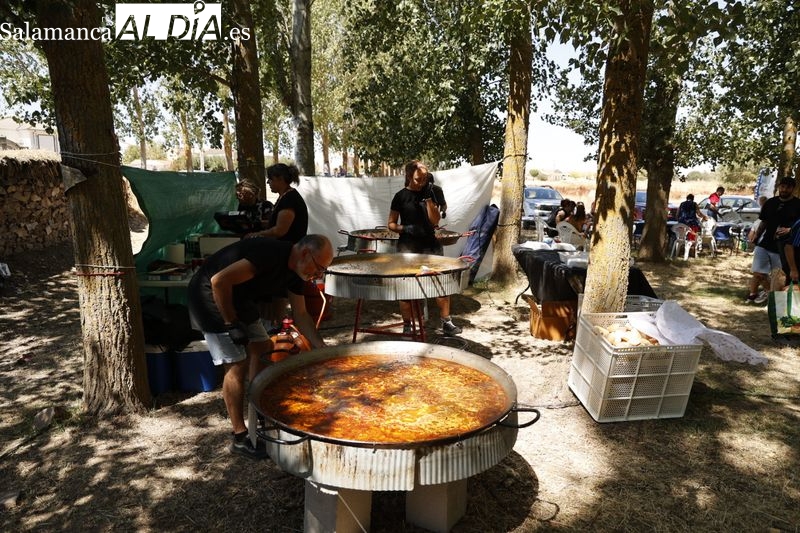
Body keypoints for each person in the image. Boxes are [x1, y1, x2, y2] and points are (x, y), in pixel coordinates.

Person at [187, 234, 334, 459]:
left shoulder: (297, 273)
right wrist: (231, 323)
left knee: (263, 346)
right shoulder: (268, 253)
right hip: (209, 295)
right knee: (236, 363)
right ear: (305, 253)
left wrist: (321, 347)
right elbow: (219, 281)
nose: (317, 275)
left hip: (239, 298)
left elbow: (301, 314)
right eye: (318, 268)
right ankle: (239, 437)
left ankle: (257, 410)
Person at [387, 160, 462, 336]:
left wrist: (429, 199)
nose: (421, 182)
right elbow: (390, 224)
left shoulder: (433, 192)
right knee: (406, 287)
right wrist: (405, 228)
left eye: (424, 178)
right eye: (417, 179)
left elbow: (435, 221)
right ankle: (407, 324)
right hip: (407, 247)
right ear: (409, 176)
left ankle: (446, 322)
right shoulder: (400, 196)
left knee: (441, 283)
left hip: (431, 246)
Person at [246, 163, 309, 326]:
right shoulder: (285, 197)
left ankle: (277, 325)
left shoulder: (289, 199)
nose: (268, 183)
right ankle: (275, 324)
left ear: (280, 179)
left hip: (287, 253)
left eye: (270, 179)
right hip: (284, 251)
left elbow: (280, 230)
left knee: (279, 291)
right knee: (277, 292)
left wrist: (257, 234)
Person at [745, 177, 800, 304]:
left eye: (787, 187)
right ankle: (769, 293)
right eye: (782, 187)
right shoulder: (770, 203)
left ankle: (777, 301)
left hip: (784, 247)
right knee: (758, 272)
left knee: (780, 277)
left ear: (792, 188)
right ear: (779, 187)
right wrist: (757, 236)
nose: (784, 190)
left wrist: (790, 230)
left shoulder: (798, 205)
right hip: (765, 243)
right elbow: (764, 221)